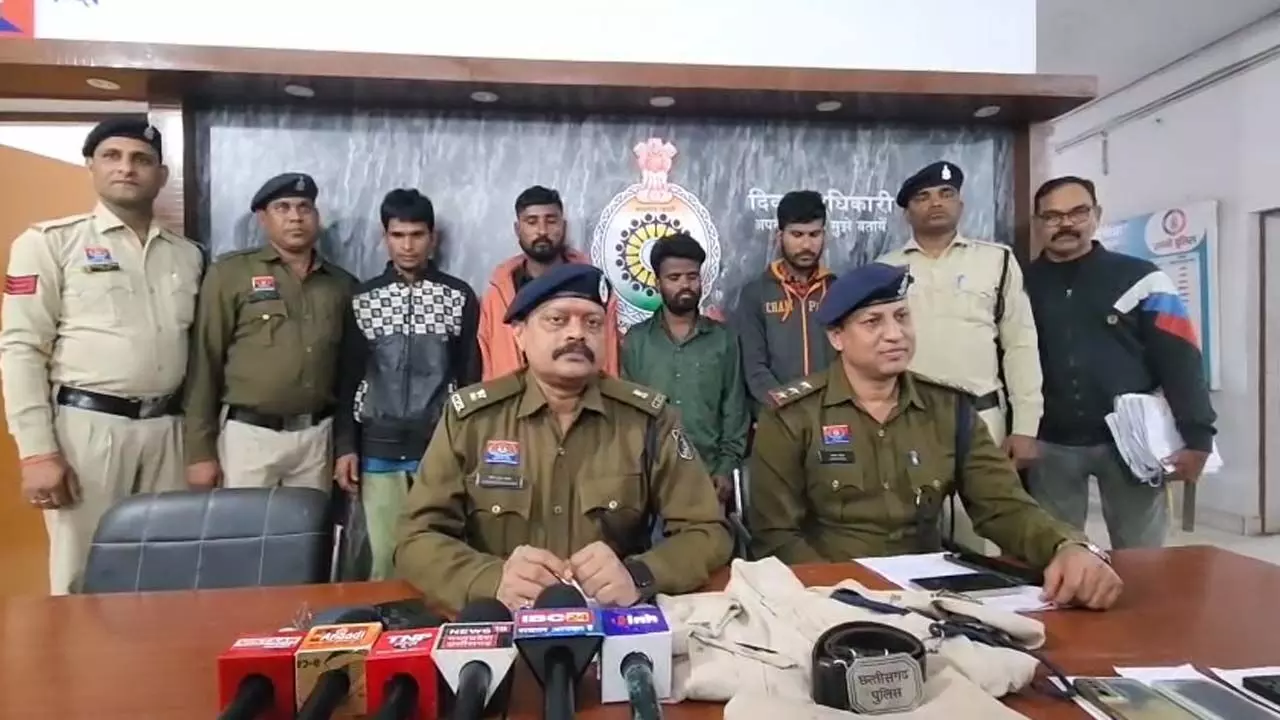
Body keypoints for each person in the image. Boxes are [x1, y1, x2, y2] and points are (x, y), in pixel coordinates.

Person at [747, 262, 1123, 609]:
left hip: (929, 597)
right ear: (837, 337)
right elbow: (776, 536)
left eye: (902, 317)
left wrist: (1065, 545)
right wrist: (848, 593)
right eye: (873, 322)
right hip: (830, 596)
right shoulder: (794, 415)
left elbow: (1003, 506)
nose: (894, 334)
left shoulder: (948, 409)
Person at [396, 263, 732, 613]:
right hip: (504, 618)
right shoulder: (472, 420)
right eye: (557, 320)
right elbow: (416, 538)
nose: (577, 334)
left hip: (613, 620)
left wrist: (639, 575)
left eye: (593, 323)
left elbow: (708, 532)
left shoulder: (648, 420)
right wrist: (490, 579)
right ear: (519, 334)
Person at [0, 117, 205, 595]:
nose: (127, 168)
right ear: (90, 166)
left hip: (167, 432)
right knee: (83, 575)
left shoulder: (188, 255)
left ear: (161, 175)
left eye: (141, 160)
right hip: (88, 432)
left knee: (167, 573)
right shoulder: (50, 243)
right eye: (112, 156)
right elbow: (21, 348)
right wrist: (37, 452)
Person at [1024, 176, 1217, 548]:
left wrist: (1198, 435)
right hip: (1049, 444)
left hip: (1132, 444)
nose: (1065, 224)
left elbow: (1180, 358)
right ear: (1037, 224)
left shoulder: (1143, 279)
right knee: (1054, 553)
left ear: (1096, 215)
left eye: (1077, 212)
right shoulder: (1019, 283)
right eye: (1052, 216)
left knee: (1144, 559)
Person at [879, 161, 1043, 552]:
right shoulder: (885, 269)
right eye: (923, 197)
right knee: (906, 537)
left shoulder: (996, 261)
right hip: (909, 418)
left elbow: (1020, 344)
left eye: (946, 194)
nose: (936, 203)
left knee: (983, 540)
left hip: (981, 418)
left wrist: (1026, 425)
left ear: (961, 204)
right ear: (907, 212)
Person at [332, 188, 481, 580]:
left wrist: (467, 445)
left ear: (432, 238)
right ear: (385, 237)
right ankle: (388, 620)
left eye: (417, 235)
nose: (408, 245)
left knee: (439, 555)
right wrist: (346, 447)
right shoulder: (364, 298)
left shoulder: (457, 296)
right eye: (398, 235)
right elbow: (348, 377)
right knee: (386, 558)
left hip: (438, 446)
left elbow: (469, 377)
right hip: (378, 445)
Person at [183, 172, 358, 492]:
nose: (295, 217)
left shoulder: (341, 284)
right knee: (244, 523)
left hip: (316, 439)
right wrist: (200, 452)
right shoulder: (231, 275)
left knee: (307, 524)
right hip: (249, 437)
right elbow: (204, 362)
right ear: (263, 219)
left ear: (316, 217)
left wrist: (346, 444)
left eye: (304, 207)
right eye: (283, 207)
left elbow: (350, 373)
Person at [620, 232, 750, 506]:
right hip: (651, 477)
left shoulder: (723, 339)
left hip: (709, 476)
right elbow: (627, 414)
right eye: (674, 277)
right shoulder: (636, 341)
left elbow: (734, 410)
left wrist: (725, 468)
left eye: (692, 276)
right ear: (657, 283)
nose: (685, 285)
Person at [477, 185, 620, 380]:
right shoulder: (498, 292)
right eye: (532, 222)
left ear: (564, 226)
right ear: (518, 229)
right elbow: (487, 362)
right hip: (512, 397)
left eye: (551, 221)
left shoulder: (592, 287)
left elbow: (609, 357)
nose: (542, 231)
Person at [735, 190, 837, 408]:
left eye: (814, 234)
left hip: (831, 413)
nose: (806, 245)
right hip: (778, 416)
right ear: (779, 236)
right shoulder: (756, 294)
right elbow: (755, 368)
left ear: (824, 236)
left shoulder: (838, 290)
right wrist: (789, 407)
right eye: (797, 235)